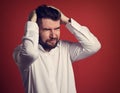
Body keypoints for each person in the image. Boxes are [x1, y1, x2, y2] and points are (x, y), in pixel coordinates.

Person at [13, 4, 101, 93]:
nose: (53, 35)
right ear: (36, 29)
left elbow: (94, 46)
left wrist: (67, 20)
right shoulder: (21, 52)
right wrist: (31, 22)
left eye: (57, 28)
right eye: (47, 29)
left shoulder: (66, 49)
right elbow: (30, 54)